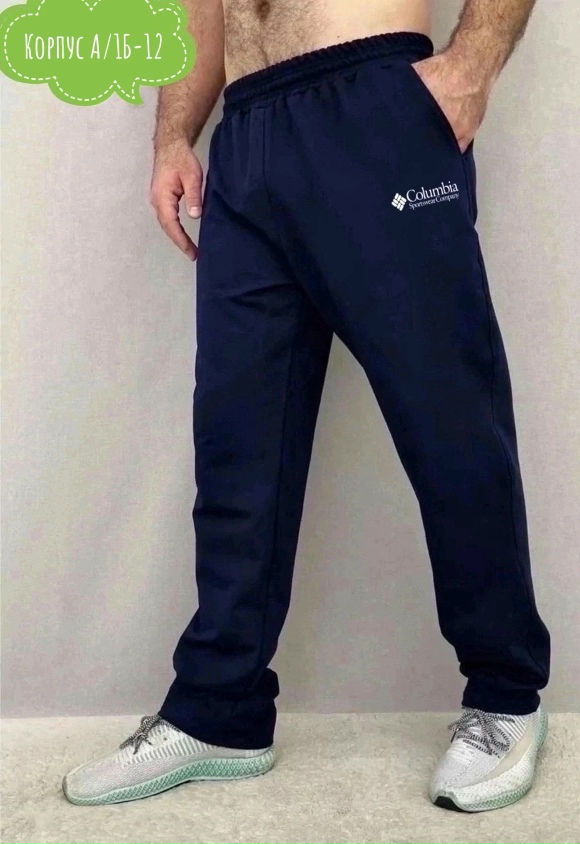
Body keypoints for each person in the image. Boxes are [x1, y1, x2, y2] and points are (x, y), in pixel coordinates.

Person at [63, 0, 551, 813]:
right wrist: (174, 138)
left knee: (450, 423)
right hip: (246, 134)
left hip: (371, 103)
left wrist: (473, 65)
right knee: (237, 446)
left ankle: (507, 695)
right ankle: (220, 710)